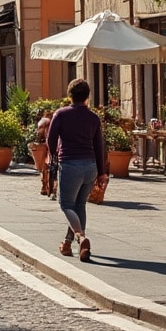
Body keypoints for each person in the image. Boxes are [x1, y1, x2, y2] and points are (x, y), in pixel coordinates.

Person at [46, 79, 108, 262]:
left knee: (66, 204)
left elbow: (51, 139)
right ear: (87, 96)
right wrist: (101, 172)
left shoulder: (61, 114)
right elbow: (99, 146)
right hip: (90, 167)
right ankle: (69, 244)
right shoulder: (93, 118)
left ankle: (81, 237)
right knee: (79, 205)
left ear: (69, 95)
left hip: (70, 164)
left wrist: (53, 155)